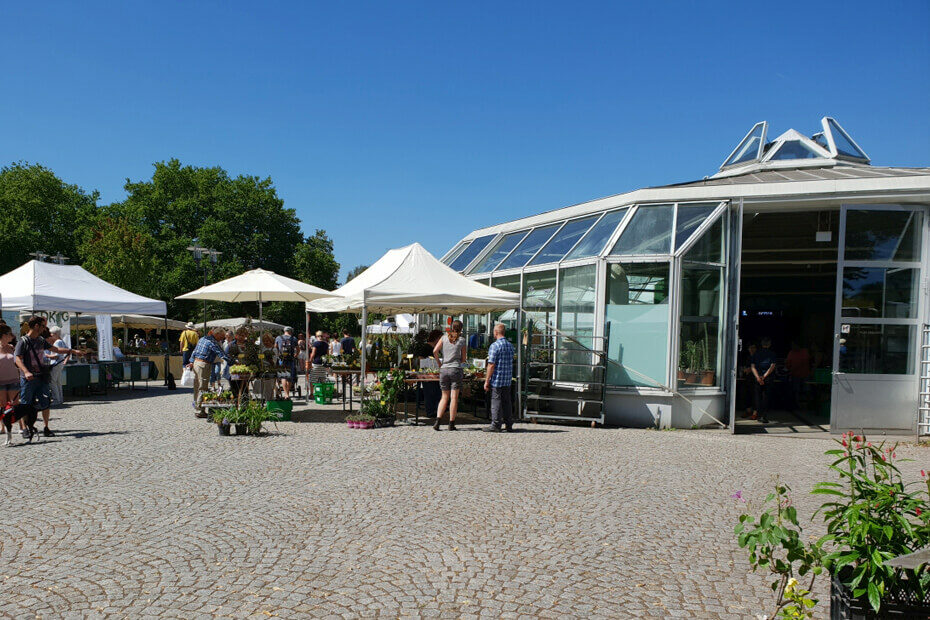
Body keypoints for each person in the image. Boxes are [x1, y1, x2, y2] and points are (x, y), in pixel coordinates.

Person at [14, 315, 80, 436]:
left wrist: (72, 351)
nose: (45, 329)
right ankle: (25, 429)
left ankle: (46, 427)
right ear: (36, 326)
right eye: (43, 326)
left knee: (45, 403)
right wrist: (26, 371)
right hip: (28, 379)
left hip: (41, 377)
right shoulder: (23, 342)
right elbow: (17, 359)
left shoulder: (40, 340)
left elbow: (57, 350)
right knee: (25, 404)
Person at [188, 327, 231, 416]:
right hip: (204, 364)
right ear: (217, 334)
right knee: (203, 387)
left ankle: (197, 407)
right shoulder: (212, 342)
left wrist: (191, 362)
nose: (222, 338)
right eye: (222, 336)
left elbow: (194, 351)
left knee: (197, 387)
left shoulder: (203, 338)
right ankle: (200, 410)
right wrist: (233, 361)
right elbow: (221, 353)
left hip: (197, 363)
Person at [433, 320, 467, 431]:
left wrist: (439, 362)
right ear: (461, 329)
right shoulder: (462, 340)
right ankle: (451, 423)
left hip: (444, 369)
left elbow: (435, 351)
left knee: (444, 397)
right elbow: (463, 359)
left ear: (451, 327)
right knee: (453, 398)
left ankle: (437, 421)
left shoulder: (443, 338)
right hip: (455, 369)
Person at [482, 323, 516, 432]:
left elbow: (491, 364)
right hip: (507, 379)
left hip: (497, 379)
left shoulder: (495, 346)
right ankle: (509, 424)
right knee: (507, 402)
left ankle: (496, 424)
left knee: (496, 401)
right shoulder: (510, 346)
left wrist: (487, 380)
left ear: (496, 332)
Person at [750, 337, 778, 424]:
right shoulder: (772, 354)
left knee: (757, 397)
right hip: (768, 378)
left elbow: (752, 367)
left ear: (761, 344)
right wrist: (764, 377)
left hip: (758, 378)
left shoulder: (756, 354)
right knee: (766, 397)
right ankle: (764, 416)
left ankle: (758, 414)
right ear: (769, 345)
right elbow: (772, 366)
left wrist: (758, 377)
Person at [0, 324, 22, 425]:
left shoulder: (12, 347)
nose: (12, 336)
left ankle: (22, 427)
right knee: (2, 405)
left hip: (13, 379)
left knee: (16, 405)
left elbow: (17, 362)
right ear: (3, 335)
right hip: (1, 381)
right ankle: (3, 427)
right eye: (10, 334)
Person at [45, 326, 71, 407]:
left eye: (51, 334)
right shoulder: (62, 341)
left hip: (56, 364)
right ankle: (60, 398)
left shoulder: (57, 342)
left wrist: (46, 355)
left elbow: (55, 356)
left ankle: (56, 399)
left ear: (55, 334)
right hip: (60, 363)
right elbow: (68, 351)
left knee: (53, 382)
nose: (50, 336)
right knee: (58, 382)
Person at [785, 341, 811, 412]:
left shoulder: (805, 351)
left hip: (804, 374)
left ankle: (806, 406)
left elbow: (806, 361)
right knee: (797, 391)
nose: (793, 347)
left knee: (805, 390)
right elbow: (787, 363)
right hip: (795, 375)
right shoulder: (792, 352)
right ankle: (798, 405)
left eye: (794, 345)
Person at [275, 327, 299, 397]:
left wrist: (278, 354)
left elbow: (275, 347)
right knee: (289, 377)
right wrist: (295, 355)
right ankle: (287, 393)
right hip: (290, 360)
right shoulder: (294, 338)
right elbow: (298, 349)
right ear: (291, 331)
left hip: (281, 360)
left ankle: (285, 393)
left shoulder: (278, 338)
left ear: (284, 331)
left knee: (283, 377)